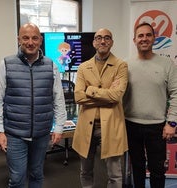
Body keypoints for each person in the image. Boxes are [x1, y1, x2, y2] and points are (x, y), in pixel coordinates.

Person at [0, 23, 67, 188]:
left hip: (41, 133)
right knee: (17, 179)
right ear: (19, 40)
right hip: (15, 134)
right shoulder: (6, 64)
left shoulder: (51, 65)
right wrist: (0, 130)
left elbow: (58, 99)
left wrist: (59, 127)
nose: (30, 42)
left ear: (40, 40)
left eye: (34, 38)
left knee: (37, 174)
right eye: (25, 38)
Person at [72, 28, 128, 188]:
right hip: (86, 126)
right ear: (94, 42)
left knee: (115, 175)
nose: (103, 41)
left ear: (111, 42)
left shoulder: (121, 66)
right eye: (99, 38)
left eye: (107, 38)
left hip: (111, 125)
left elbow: (116, 96)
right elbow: (78, 97)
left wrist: (90, 90)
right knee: (85, 171)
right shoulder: (83, 67)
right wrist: (107, 96)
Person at [123, 22, 177, 188]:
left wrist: (172, 122)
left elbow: (176, 94)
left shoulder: (167, 64)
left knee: (157, 169)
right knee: (137, 168)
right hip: (130, 124)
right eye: (140, 35)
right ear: (134, 40)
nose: (144, 39)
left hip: (157, 127)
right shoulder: (125, 65)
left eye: (148, 35)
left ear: (154, 38)